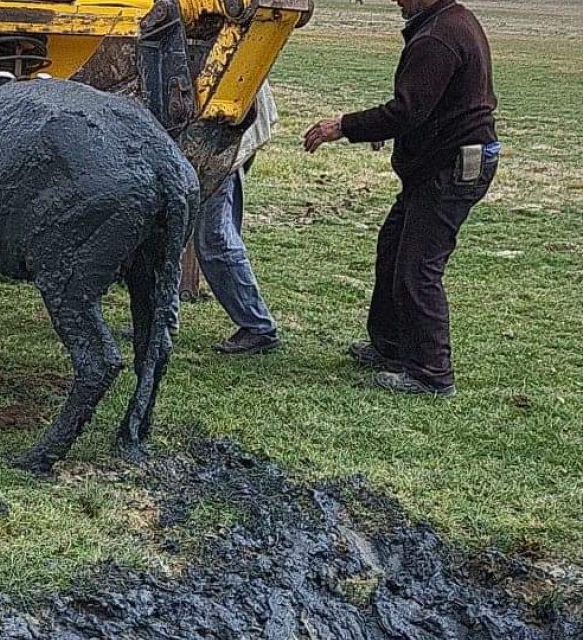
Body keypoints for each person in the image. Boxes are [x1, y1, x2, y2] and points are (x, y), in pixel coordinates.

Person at [304, 0, 498, 397]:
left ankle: (431, 374)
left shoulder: (438, 36)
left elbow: (407, 111)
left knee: (417, 269)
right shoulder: (445, 21)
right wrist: (392, 130)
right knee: (393, 249)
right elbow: (425, 107)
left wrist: (342, 126)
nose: (397, 0)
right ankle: (390, 348)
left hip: (451, 168)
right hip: (436, 164)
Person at [193, 79, 282, 356]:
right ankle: (161, 320)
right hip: (221, 128)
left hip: (223, 134)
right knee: (175, 229)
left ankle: (258, 326)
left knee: (215, 237)